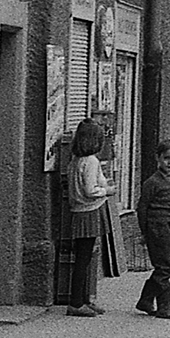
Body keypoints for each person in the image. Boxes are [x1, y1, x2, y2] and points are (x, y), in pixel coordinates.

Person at [61, 116, 111, 317]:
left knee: (85, 257)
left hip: (79, 212)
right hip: (89, 211)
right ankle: (76, 302)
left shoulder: (75, 161)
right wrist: (107, 191)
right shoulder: (90, 161)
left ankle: (83, 299)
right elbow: (91, 190)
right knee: (84, 259)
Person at [135, 139, 170, 320]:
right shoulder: (152, 182)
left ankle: (146, 300)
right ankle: (164, 306)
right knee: (164, 267)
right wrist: (144, 232)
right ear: (158, 159)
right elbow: (142, 208)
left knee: (168, 265)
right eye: (166, 158)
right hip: (158, 226)